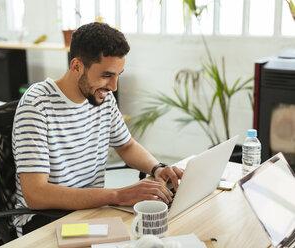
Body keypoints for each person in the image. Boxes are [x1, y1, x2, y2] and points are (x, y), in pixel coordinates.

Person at [12, 22, 183, 236]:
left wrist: (157, 168)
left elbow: (127, 146)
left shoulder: (103, 98)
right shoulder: (36, 105)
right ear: (76, 66)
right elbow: (36, 195)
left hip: (91, 211)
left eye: (118, 75)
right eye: (106, 75)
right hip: (47, 221)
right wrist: (118, 195)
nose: (113, 87)